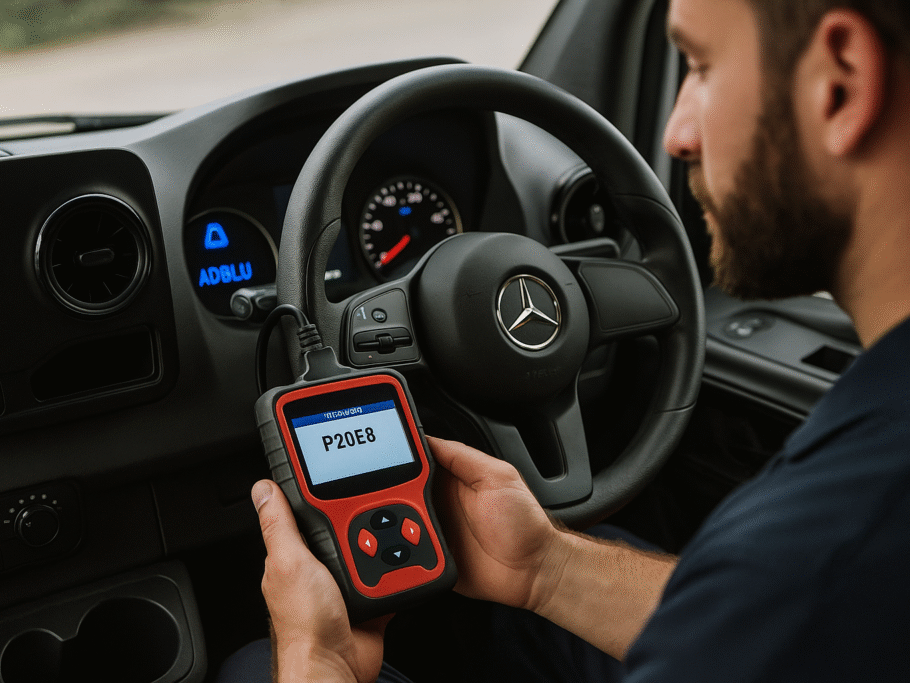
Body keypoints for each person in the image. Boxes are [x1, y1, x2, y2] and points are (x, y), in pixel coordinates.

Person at [231, 0, 910, 680]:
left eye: (702, 68)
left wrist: (316, 660)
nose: (676, 132)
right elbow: (758, 618)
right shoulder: (847, 516)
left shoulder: (836, 545)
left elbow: (778, 614)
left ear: (841, 80)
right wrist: (546, 568)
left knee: (260, 664)